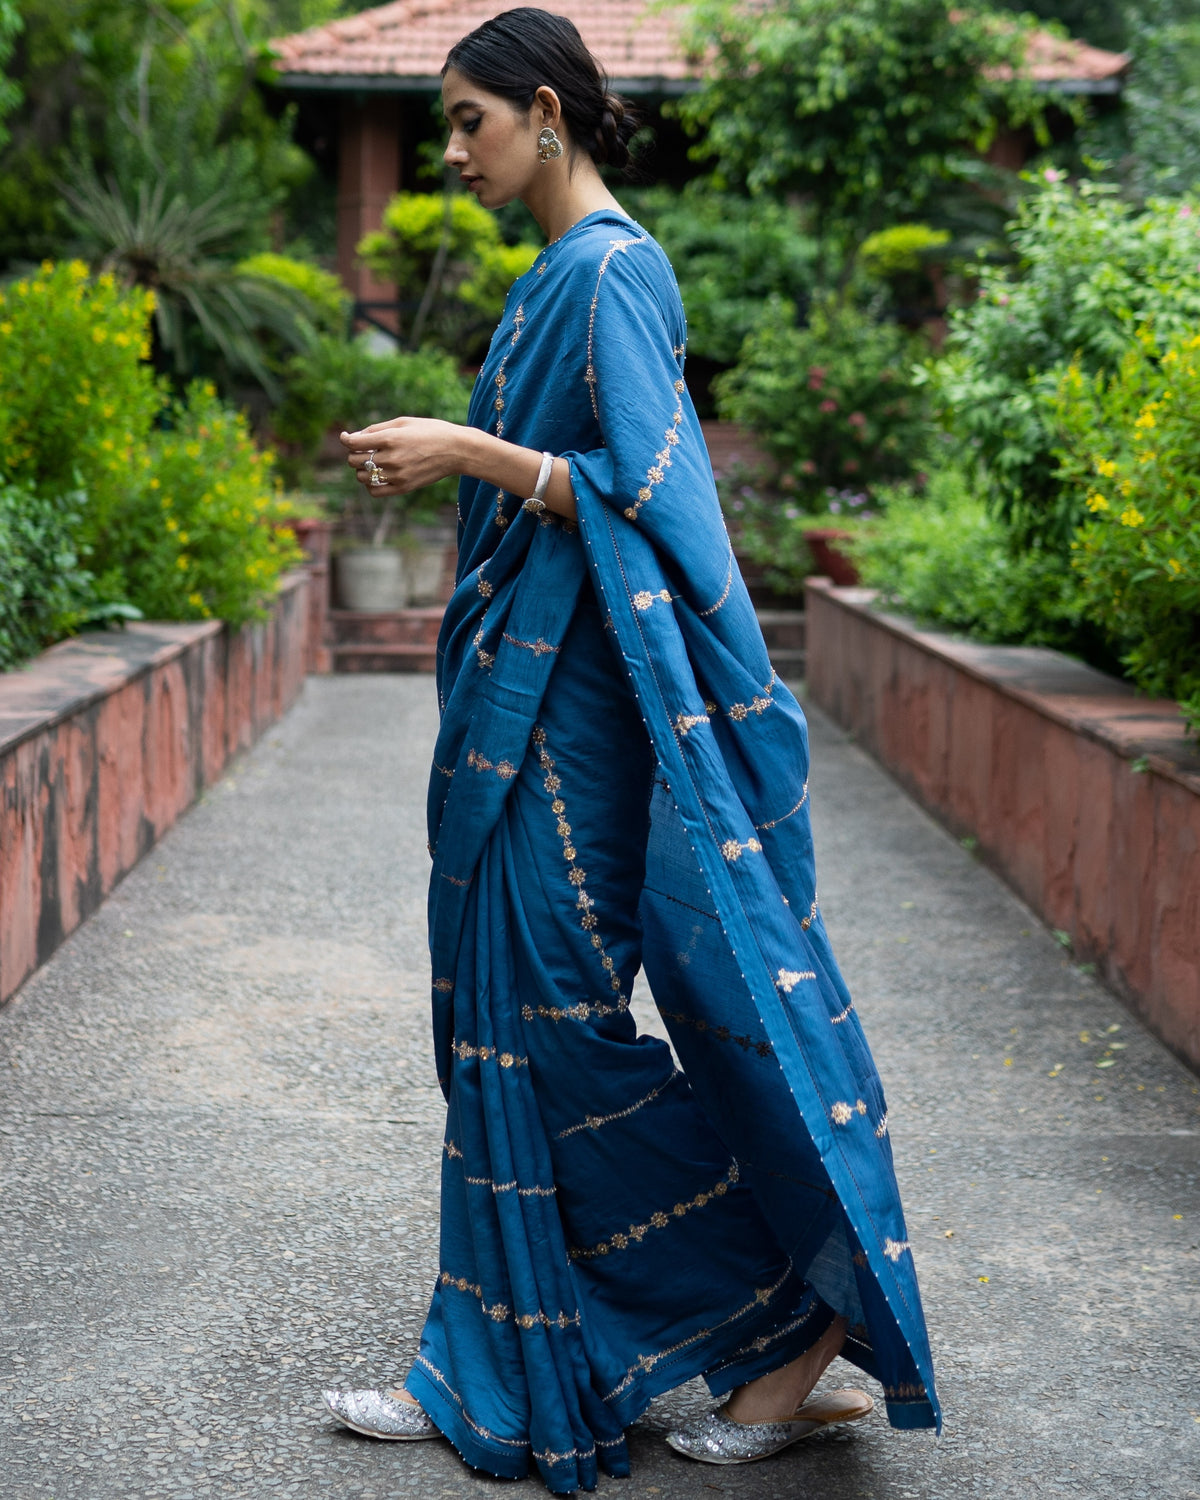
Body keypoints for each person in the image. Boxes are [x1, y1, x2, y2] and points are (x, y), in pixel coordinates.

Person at [324, 9, 939, 1493]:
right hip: (518, 712)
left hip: (580, 720)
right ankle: (485, 1354)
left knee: (554, 1033)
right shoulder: (548, 277)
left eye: (469, 121)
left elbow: (661, 509)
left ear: (546, 113)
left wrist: (464, 452)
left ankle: (798, 1323)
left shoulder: (614, 273)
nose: (452, 152)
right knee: (497, 1029)